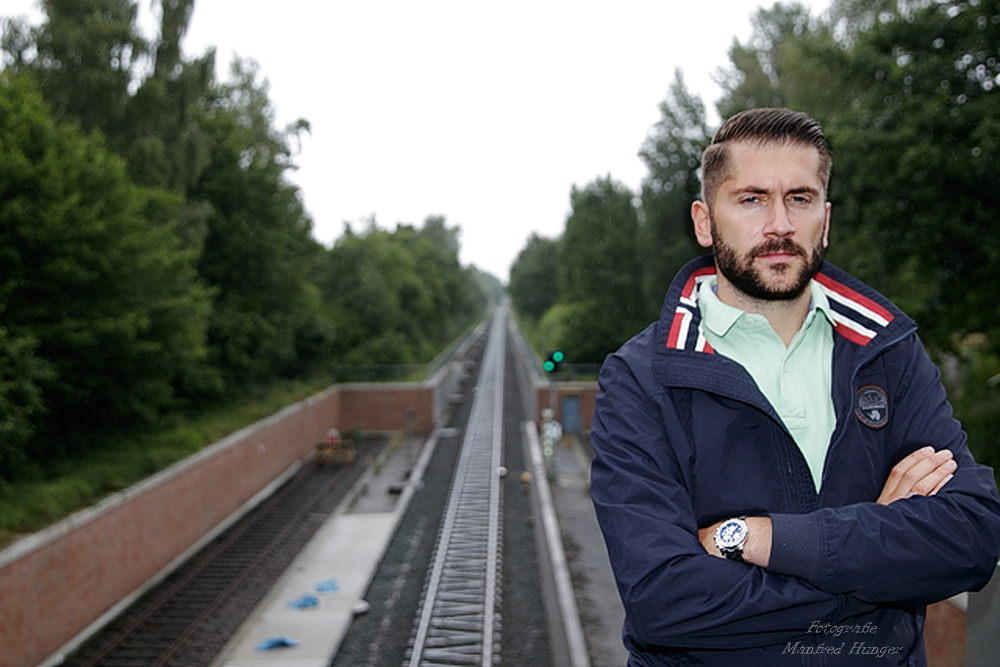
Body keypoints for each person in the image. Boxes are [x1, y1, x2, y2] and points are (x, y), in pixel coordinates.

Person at [589, 107, 1000, 665]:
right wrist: (879, 562)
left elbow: (972, 535)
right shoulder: (641, 377)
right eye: (752, 198)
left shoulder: (888, 350)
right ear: (705, 220)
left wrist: (758, 539)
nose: (779, 223)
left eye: (800, 199)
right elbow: (665, 601)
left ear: (824, 220)